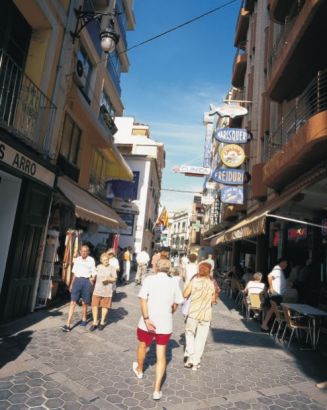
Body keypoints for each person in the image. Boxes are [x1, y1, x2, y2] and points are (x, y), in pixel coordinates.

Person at [133, 259, 183, 400]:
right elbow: (177, 302)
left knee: (142, 345)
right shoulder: (174, 282)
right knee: (161, 356)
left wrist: (147, 318)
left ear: (155, 268)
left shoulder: (149, 280)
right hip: (165, 322)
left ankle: (140, 369)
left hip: (147, 321)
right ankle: (156, 390)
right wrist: (170, 312)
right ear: (169, 269)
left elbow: (142, 299)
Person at [183, 262, 216, 370]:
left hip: (193, 313)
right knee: (201, 339)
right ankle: (195, 362)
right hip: (206, 315)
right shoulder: (211, 284)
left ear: (199, 271)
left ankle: (190, 356)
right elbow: (213, 300)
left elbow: (185, 294)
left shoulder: (194, 282)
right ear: (209, 272)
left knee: (189, 333)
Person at [62, 245, 96, 332]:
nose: (84, 252)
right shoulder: (77, 259)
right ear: (80, 251)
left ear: (88, 252)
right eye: (82, 251)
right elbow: (74, 273)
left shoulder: (91, 260)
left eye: (86, 251)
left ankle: (84, 318)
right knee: (73, 302)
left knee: (85, 302)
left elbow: (94, 273)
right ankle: (68, 324)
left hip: (86, 281)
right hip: (77, 281)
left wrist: (92, 281)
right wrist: (71, 284)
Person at [90, 252, 117, 331]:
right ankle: (95, 322)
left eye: (107, 260)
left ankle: (102, 322)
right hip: (97, 290)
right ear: (101, 260)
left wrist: (108, 279)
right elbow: (94, 275)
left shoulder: (112, 268)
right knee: (94, 305)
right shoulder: (98, 267)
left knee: (105, 307)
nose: (106, 261)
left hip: (107, 291)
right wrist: (92, 278)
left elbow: (115, 278)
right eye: (104, 260)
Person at [261, 257, 287, 331]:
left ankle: (265, 325)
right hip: (276, 293)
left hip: (277, 293)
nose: (286, 265)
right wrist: (271, 287)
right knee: (275, 307)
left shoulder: (279, 270)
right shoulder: (277, 269)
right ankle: (280, 322)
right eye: (286, 263)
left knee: (272, 309)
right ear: (282, 262)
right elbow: (269, 276)